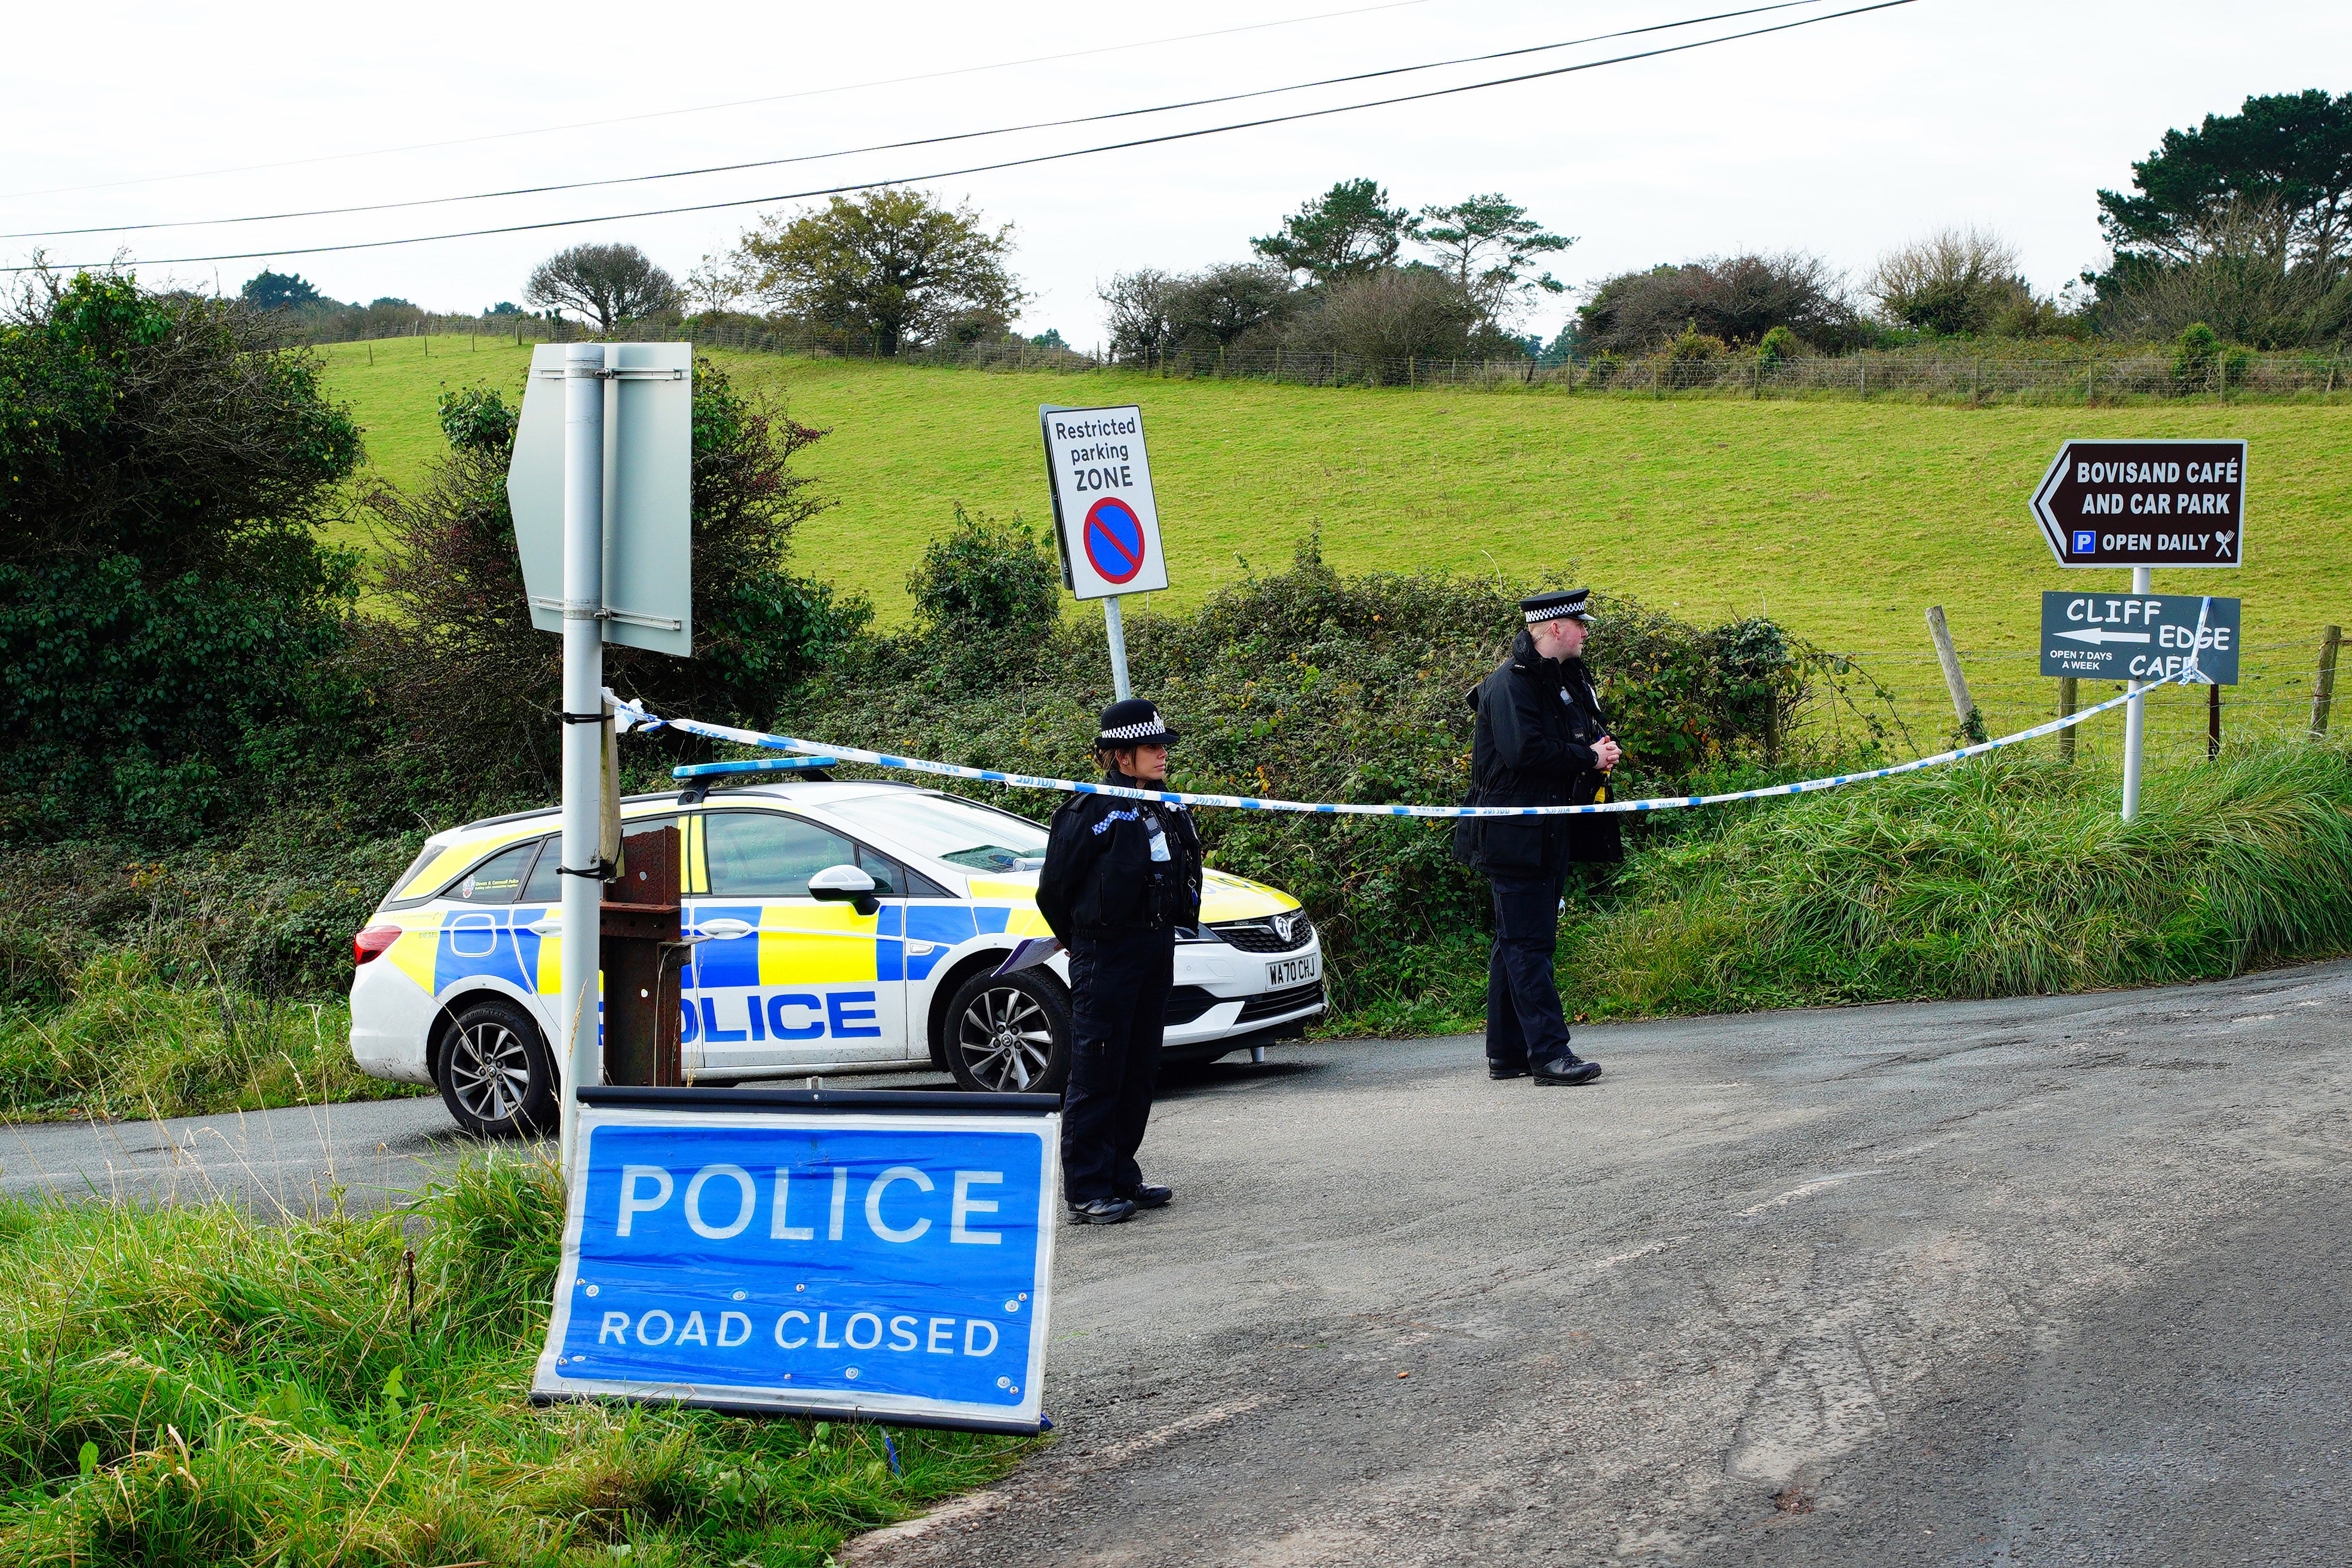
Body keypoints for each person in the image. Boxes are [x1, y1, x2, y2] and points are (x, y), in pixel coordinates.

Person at [1036, 699, 1205, 1224]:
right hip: (1104, 952)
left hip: (1155, 947)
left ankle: (1120, 1175)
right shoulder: (1088, 809)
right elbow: (1053, 890)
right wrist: (1082, 941)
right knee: (1098, 1069)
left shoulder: (1168, 805)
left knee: (1138, 1066)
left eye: (1163, 746)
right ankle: (1086, 1189)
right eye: (1152, 747)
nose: (1162, 754)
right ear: (1121, 757)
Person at [1452, 589, 1623, 1086]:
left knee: (1516, 942)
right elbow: (1523, 752)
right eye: (1580, 624)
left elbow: (1579, 735)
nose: (1587, 632)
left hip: (1549, 832)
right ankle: (1550, 1055)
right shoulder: (1509, 685)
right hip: (1512, 835)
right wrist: (1588, 757)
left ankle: (1506, 1053)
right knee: (1530, 944)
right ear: (1554, 628)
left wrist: (1601, 750)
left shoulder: (1566, 679)